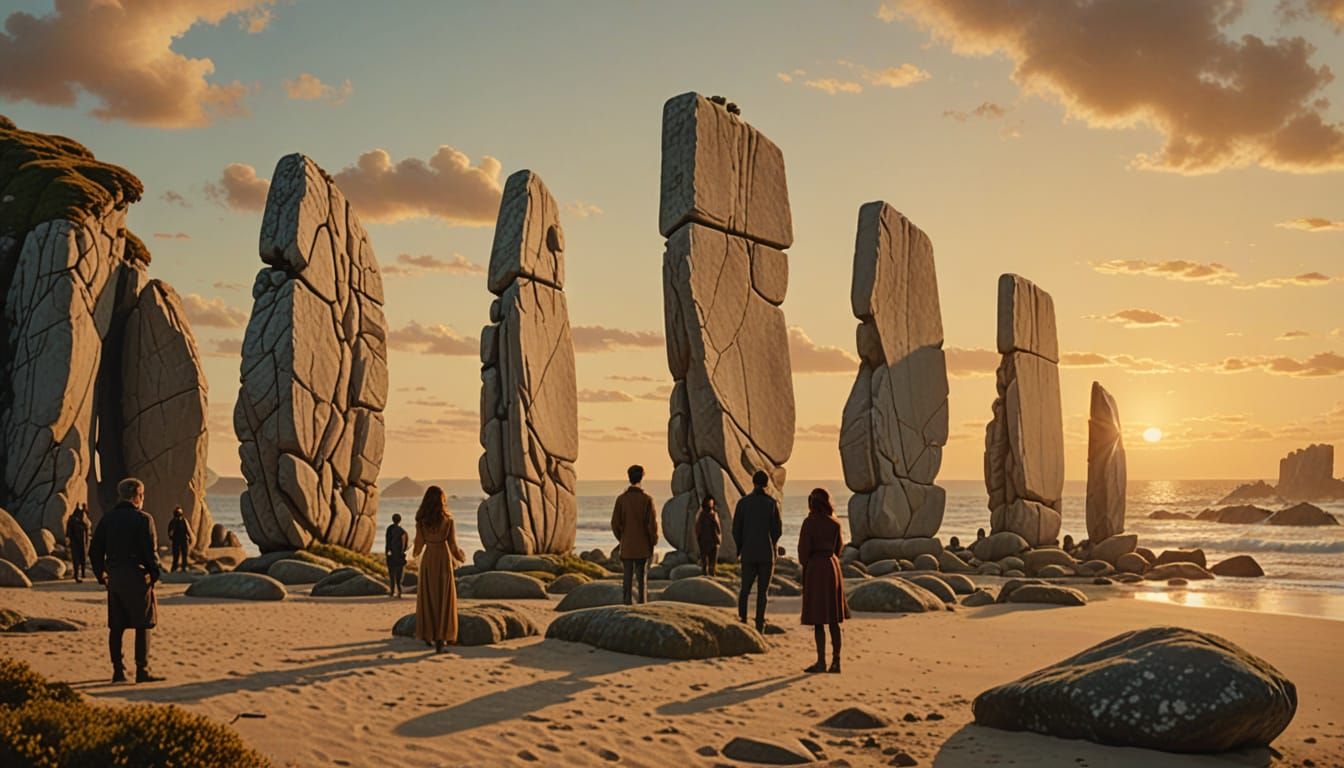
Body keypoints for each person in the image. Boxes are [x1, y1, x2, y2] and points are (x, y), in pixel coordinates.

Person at [89, 478, 162, 684]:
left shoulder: (108, 519)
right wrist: (154, 575)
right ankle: (142, 670)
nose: (143, 498)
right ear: (137, 495)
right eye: (142, 495)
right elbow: (150, 552)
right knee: (143, 623)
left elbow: (95, 551)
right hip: (137, 575)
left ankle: (118, 671)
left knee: (117, 626)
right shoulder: (143, 519)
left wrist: (101, 574)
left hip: (115, 576)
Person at [798, 487, 849, 674]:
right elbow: (839, 548)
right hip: (832, 567)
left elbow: (803, 551)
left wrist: (807, 565)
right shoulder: (835, 523)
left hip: (816, 569)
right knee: (834, 619)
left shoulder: (809, 523)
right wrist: (830, 559)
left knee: (819, 620)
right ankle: (836, 661)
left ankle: (821, 661)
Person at [413, 487, 465, 653]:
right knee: (444, 598)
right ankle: (441, 638)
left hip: (428, 559)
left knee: (428, 596)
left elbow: (418, 546)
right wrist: (461, 557)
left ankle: (428, 634)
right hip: (443, 559)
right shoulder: (448, 521)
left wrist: (412, 557)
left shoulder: (421, 522)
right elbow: (453, 545)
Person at [733, 470, 782, 632]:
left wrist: (739, 548)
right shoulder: (771, 503)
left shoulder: (743, 503)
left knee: (745, 590)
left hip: (748, 552)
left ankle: (743, 620)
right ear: (767, 484)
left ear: (753, 483)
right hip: (766, 554)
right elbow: (777, 530)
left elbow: (736, 530)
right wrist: (772, 543)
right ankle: (759, 624)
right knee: (763, 592)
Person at [611, 464, 657, 605]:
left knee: (627, 576)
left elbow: (615, 523)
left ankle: (627, 602)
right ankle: (642, 602)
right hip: (643, 546)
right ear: (642, 477)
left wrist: (622, 538)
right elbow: (652, 525)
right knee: (641, 576)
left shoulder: (621, 499)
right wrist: (652, 542)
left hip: (627, 545)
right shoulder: (647, 500)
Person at [694, 496, 721, 577]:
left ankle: (711, 573)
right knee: (705, 560)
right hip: (705, 541)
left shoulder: (713, 514)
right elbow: (698, 528)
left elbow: (718, 528)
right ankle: (706, 574)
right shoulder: (702, 515)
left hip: (713, 540)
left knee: (712, 560)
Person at [385, 513, 409, 598]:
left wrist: (388, 552)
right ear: (400, 520)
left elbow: (387, 542)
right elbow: (404, 545)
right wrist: (403, 553)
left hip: (391, 555)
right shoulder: (403, 531)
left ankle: (392, 591)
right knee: (399, 574)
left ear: (392, 519)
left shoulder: (389, 529)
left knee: (391, 573)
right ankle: (399, 591)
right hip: (399, 555)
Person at [65, 504, 90, 583]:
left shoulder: (80, 520)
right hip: (77, 542)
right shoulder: (74, 520)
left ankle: (81, 574)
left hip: (80, 541)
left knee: (81, 558)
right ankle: (78, 575)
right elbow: (69, 532)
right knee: (79, 558)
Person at [167, 507, 191, 572]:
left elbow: (187, 530)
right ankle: (174, 568)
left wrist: (189, 537)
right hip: (176, 540)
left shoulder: (183, 521)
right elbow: (170, 531)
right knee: (176, 555)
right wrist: (171, 537)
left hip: (183, 540)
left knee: (184, 555)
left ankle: (184, 567)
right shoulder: (173, 522)